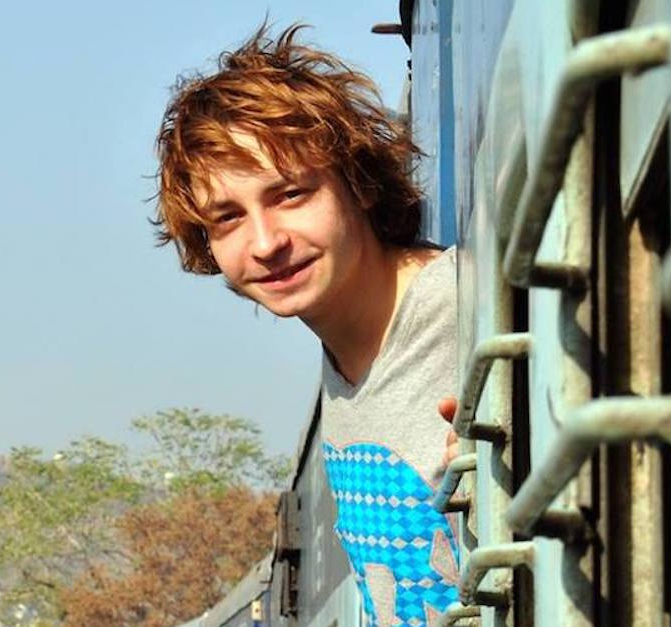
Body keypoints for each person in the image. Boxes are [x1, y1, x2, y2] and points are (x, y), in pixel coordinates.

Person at [154, 25, 461, 626]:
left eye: (291, 194)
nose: (266, 242)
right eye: (228, 218)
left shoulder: (458, 311)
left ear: (358, 183)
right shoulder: (343, 364)